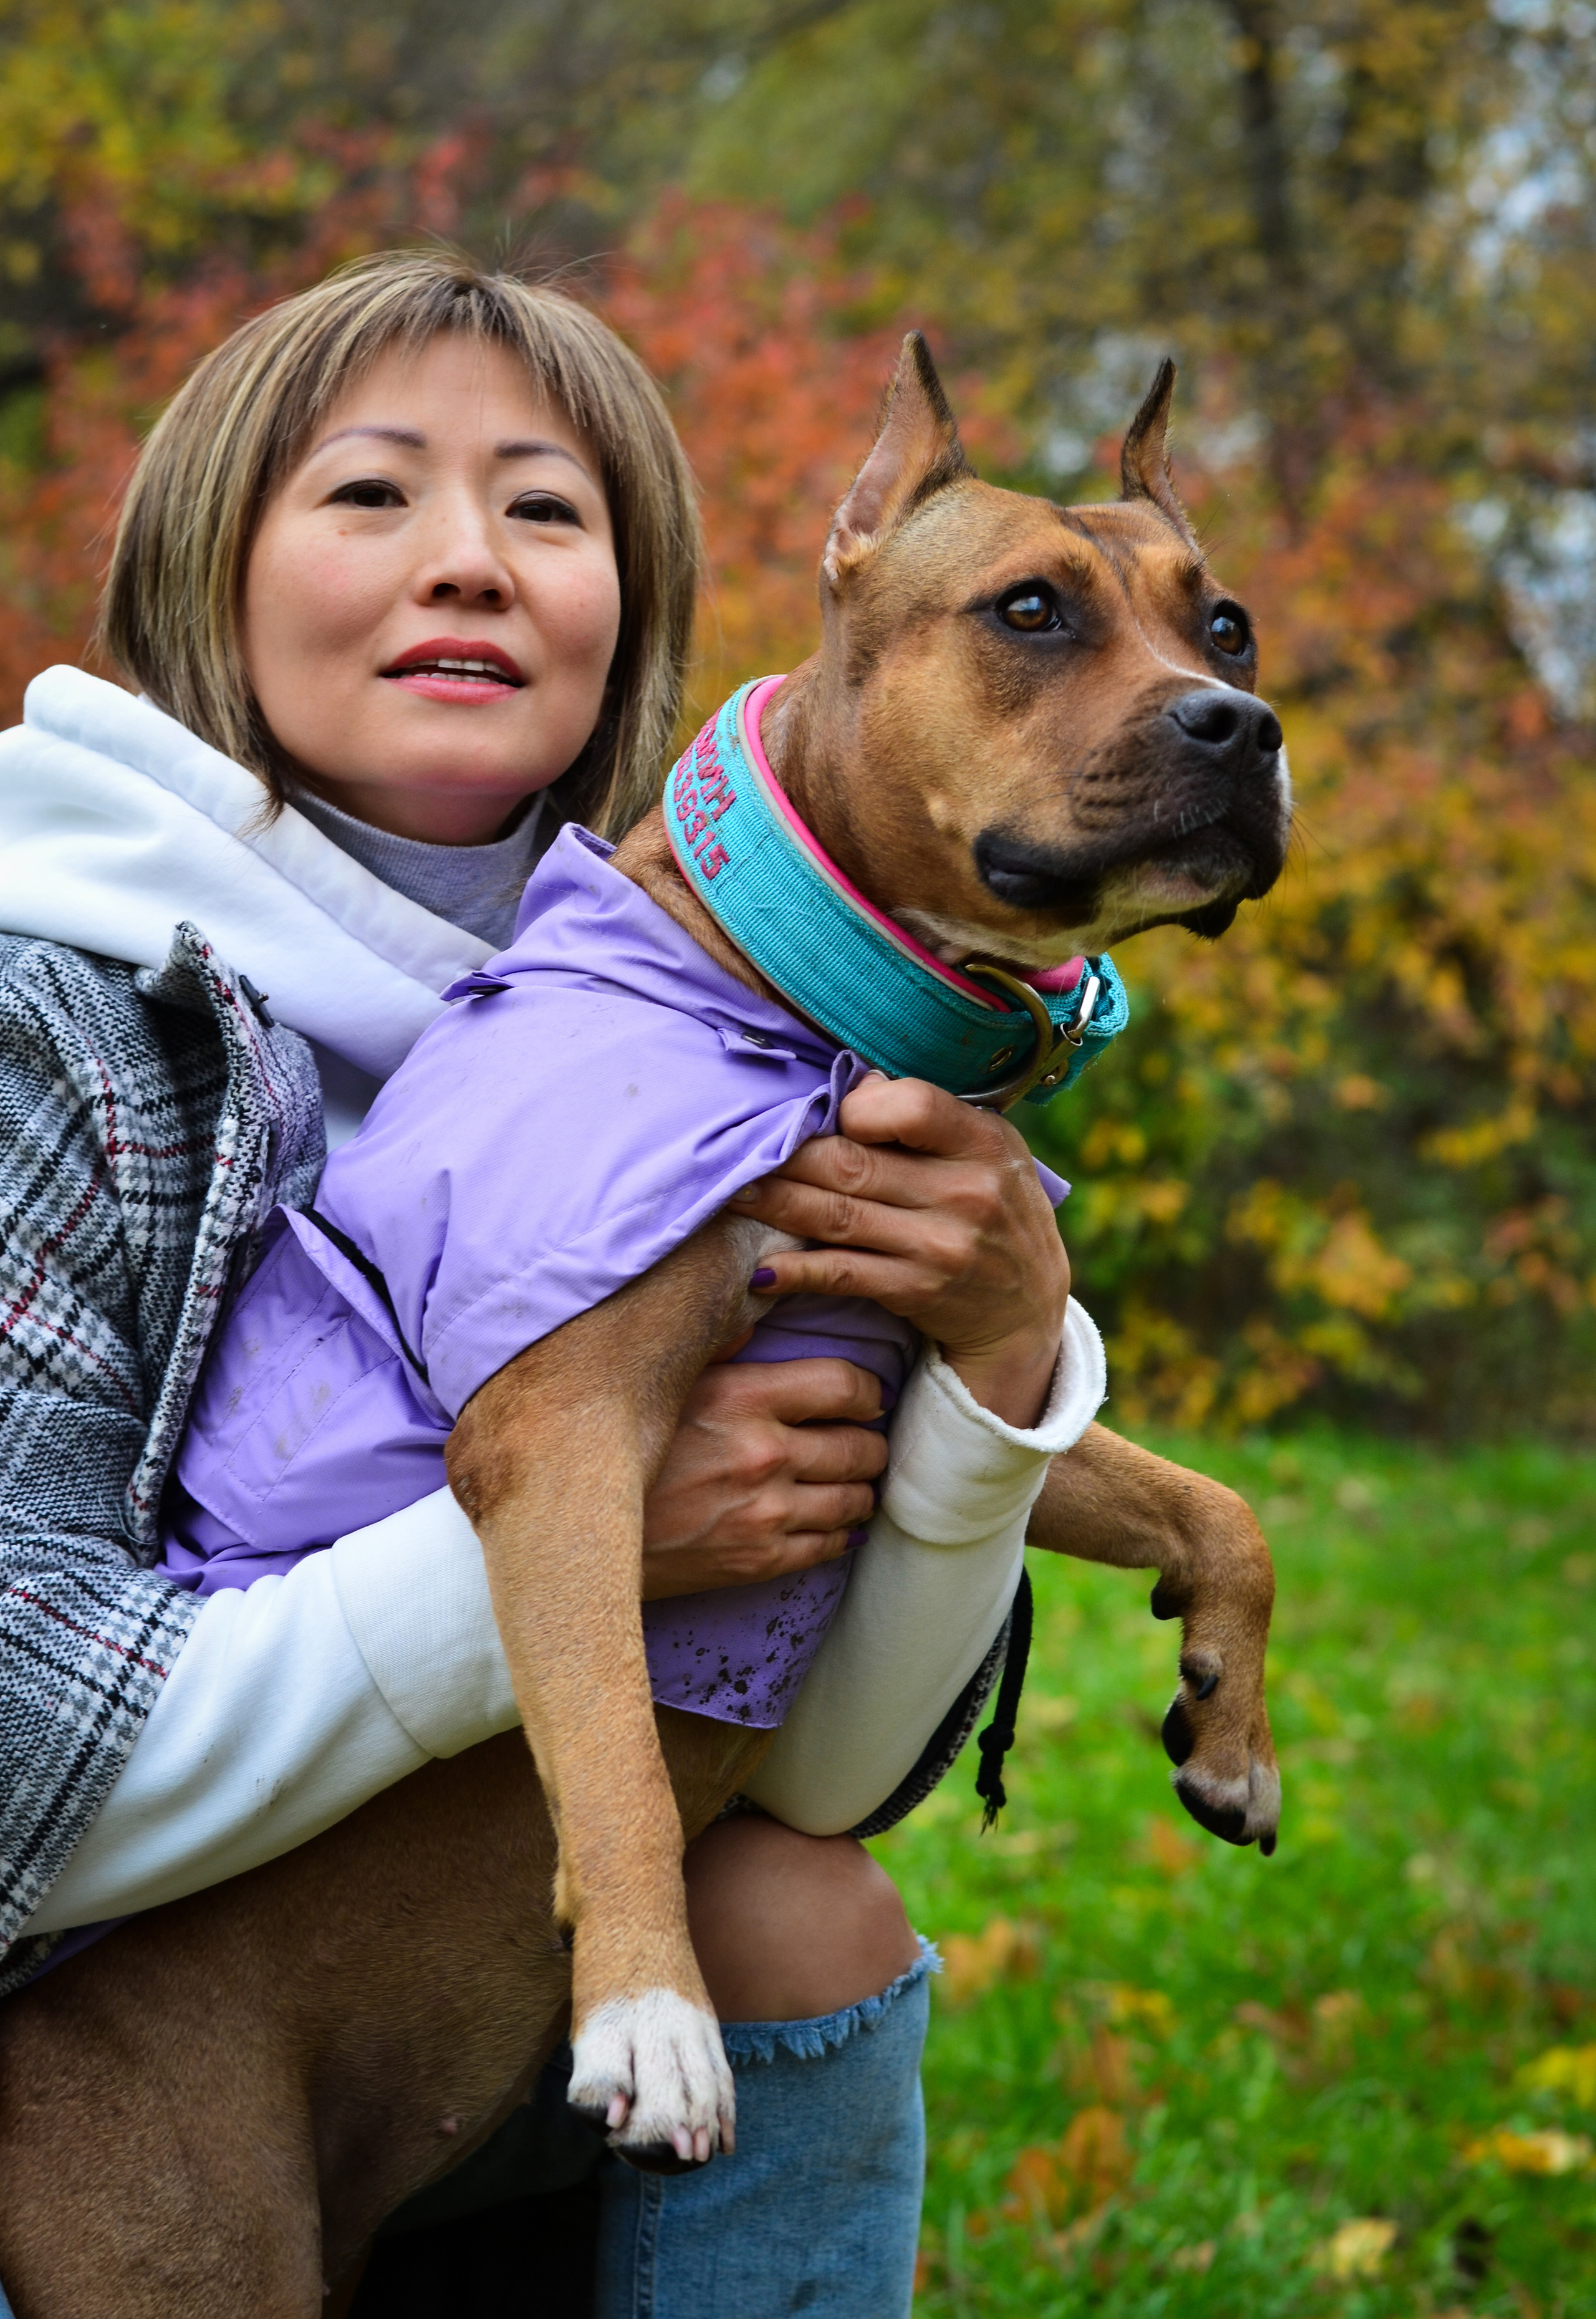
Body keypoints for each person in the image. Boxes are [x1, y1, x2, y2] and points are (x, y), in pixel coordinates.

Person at [0, 251, 1101, 2316]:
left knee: (800, 1902)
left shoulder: (706, 1034)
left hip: (468, 2053)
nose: (472, 562)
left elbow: (819, 1772)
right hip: (89, 2085)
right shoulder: (43, 1028)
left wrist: (1000, 1365)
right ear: (198, 572)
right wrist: (548, 1547)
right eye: (370, 494)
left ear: (636, 607)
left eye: (547, 507)